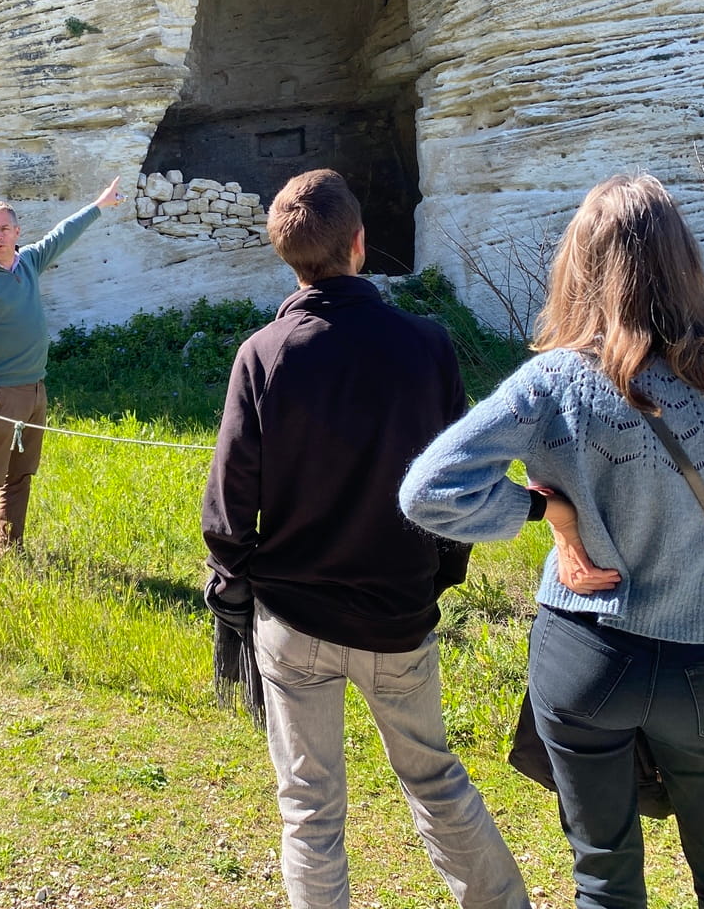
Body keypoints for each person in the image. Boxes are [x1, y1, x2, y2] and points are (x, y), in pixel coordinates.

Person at [399, 174, 704, 909]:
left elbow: (428, 489)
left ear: (581, 264)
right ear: (685, 260)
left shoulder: (556, 382)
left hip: (586, 658)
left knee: (602, 875)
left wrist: (547, 515)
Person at [202, 169, 529, 909]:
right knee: (436, 780)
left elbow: (226, 510)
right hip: (395, 612)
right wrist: (440, 574)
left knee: (309, 808)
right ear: (360, 244)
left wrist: (241, 589)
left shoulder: (264, 354)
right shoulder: (427, 345)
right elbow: (456, 482)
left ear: (287, 256)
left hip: (293, 615)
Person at [0, 178, 125, 566]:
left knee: (22, 475)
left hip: (34, 389)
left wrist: (99, 204)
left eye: (5, 229)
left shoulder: (27, 261)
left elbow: (63, 234)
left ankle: (11, 548)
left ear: (17, 231)